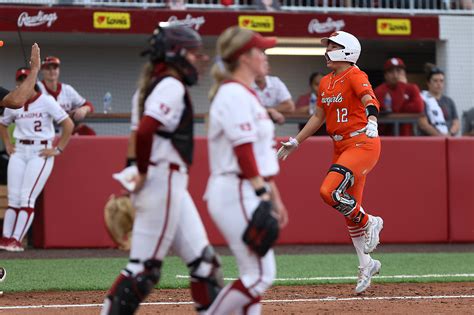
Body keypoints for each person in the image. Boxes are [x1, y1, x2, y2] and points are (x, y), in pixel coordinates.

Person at [100, 25, 223, 315]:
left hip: (163, 182)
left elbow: (135, 138)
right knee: (143, 269)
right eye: (193, 53)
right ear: (176, 54)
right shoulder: (170, 85)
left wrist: (133, 177)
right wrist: (141, 173)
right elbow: (144, 133)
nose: (198, 59)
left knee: (205, 265)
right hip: (163, 179)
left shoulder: (148, 87)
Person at [277, 31, 384, 294]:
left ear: (347, 51)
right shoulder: (326, 81)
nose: (328, 50)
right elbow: (318, 116)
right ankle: (366, 264)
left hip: (362, 142)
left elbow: (370, 99)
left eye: (334, 46)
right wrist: (297, 141)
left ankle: (371, 221)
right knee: (350, 209)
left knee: (329, 192)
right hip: (340, 145)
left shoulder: (356, 75)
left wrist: (372, 119)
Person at [205, 26, 288, 314]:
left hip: (246, 188)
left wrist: (273, 195)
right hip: (237, 189)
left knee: (252, 272)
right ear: (243, 57)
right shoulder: (233, 95)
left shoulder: (246, 93)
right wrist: (262, 192)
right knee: (261, 275)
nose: (265, 56)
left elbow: (260, 153)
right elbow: (243, 152)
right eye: (260, 50)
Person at [0, 71, 74, 252]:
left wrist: (58, 149)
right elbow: (3, 122)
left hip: (40, 151)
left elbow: (68, 124)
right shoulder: (14, 101)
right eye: (19, 80)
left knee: (27, 197)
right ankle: (5, 239)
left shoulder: (46, 101)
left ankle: (16, 240)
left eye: (25, 79)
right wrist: (8, 144)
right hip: (19, 150)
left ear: (32, 81)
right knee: (14, 198)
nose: (21, 83)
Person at [37, 56, 96, 135]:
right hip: (44, 132)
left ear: (58, 70)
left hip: (65, 132)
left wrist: (84, 109)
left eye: (55, 68)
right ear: (42, 71)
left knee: (89, 132)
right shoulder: (37, 88)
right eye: (48, 68)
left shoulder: (67, 89)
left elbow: (89, 105)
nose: (52, 71)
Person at [374, 57, 424, 136]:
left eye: (399, 71)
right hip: (387, 137)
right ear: (385, 75)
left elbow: (419, 108)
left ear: (404, 73)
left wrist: (401, 107)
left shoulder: (412, 88)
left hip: (409, 136)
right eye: (391, 71)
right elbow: (395, 108)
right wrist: (401, 86)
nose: (395, 75)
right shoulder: (379, 91)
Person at [418, 63, 460, 136]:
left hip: (449, 140)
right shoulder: (422, 100)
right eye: (435, 81)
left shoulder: (449, 101)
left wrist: (450, 134)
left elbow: (456, 122)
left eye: (441, 81)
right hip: (429, 141)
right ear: (428, 83)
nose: (439, 84)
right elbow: (423, 124)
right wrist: (440, 136)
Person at [0, 43, 41, 110]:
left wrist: (34, 70)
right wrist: (34, 69)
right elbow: (15, 101)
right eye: (21, 79)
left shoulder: (46, 100)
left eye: (26, 78)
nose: (23, 82)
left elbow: (16, 101)